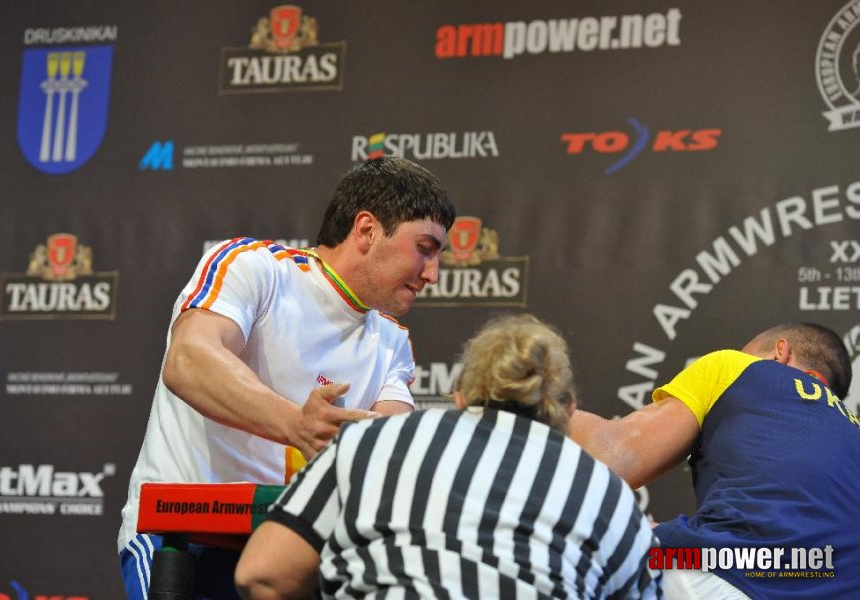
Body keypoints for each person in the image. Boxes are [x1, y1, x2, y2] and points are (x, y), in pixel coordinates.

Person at [117, 156, 456, 599]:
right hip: (181, 539)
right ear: (367, 230)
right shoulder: (256, 268)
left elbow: (388, 444)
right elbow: (188, 359)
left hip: (291, 557)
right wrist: (296, 424)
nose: (432, 274)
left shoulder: (392, 341)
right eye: (425, 249)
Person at [234, 314, 662, 599]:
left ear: (460, 397)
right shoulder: (608, 496)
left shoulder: (371, 442)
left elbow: (264, 574)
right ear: (569, 409)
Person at [570, 322, 859, 599]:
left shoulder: (740, 369)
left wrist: (536, 401)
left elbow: (615, 457)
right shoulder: (852, 432)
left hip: (727, 573)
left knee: (579, 536)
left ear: (780, 353)